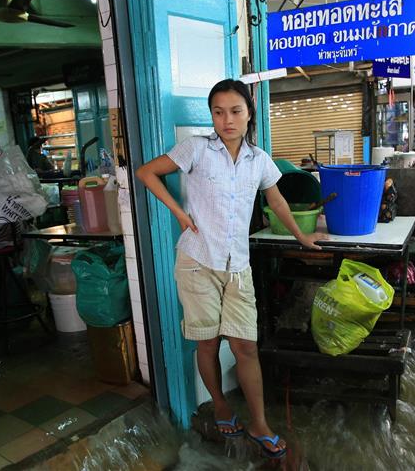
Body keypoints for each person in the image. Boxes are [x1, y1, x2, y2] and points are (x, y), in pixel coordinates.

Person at [135, 79, 327, 459]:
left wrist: (301, 237)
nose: (227, 120)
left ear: (249, 114)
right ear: (212, 116)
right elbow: (146, 172)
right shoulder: (196, 149)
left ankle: (259, 423)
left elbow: (277, 200)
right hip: (198, 262)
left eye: (236, 111)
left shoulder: (259, 160)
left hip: (238, 266)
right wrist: (178, 212)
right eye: (219, 112)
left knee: (245, 347)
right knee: (207, 342)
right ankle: (221, 406)